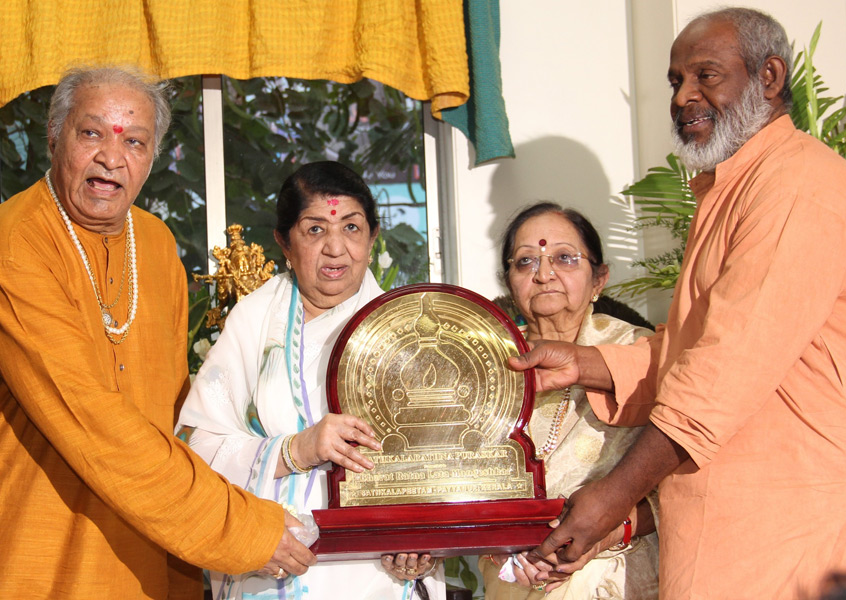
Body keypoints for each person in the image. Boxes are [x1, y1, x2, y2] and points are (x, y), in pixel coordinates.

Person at [510, 8, 846, 600]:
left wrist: (612, 497)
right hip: (751, 515)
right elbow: (700, 343)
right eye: (675, 81)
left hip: (812, 517)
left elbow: (725, 367)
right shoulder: (737, 188)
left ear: (769, 78)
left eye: (705, 76)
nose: (684, 97)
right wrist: (585, 363)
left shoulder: (799, 189)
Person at [0, 66, 313, 599]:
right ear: (55, 134)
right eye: (92, 132)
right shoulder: (17, 242)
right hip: (45, 551)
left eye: (135, 141)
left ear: (152, 157)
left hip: (159, 552)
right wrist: (237, 527)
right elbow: (91, 419)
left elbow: (177, 413)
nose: (111, 156)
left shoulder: (153, 241)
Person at [175, 161, 445, 599]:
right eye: (315, 230)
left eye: (352, 228)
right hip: (272, 562)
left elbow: (446, 459)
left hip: (377, 574)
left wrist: (423, 544)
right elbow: (191, 450)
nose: (336, 248)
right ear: (284, 242)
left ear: (373, 238)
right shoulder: (254, 320)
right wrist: (295, 450)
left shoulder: (411, 328)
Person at [478, 202, 659, 600]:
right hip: (513, 576)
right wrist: (502, 547)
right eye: (525, 262)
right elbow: (459, 481)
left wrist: (610, 529)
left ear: (599, 279)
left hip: (616, 574)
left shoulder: (641, 352)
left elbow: (680, 480)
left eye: (564, 258)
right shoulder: (484, 367)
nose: (543, 274)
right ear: (509, 281)